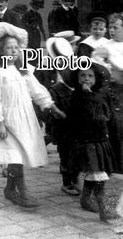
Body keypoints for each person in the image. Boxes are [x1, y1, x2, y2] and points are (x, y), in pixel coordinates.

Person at [0, 22, 66, 207]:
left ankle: (10, 188)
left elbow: (36, 89)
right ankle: (20, 190)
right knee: (14, 155)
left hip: (23, 118)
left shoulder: (23, 70)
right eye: (8, 48)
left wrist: (50, 105)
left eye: (16, 48)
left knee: (18, 155)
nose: (13, 51)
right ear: (0, 51)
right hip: (6, 119)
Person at [68, 63, 120, 221]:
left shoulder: (101, 94)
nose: (86, 79)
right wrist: (87, 95)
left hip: (101, 140)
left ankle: (85, 198)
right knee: (97, 174)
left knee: (96, 172)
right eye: (82, 75)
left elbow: (108, 115)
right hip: (87, 141)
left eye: (90, 76)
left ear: (96, 78)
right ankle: (103, 209)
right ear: (77, 78)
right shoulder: (78, 96)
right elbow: (87, 117)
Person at [46, 37, 80, 196]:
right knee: (65, 154)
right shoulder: (56, 88)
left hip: (75, 126)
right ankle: (67, 182)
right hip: (62, 127)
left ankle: (75, 177)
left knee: (76, 153)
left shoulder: (76, 87)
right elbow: (51, 110)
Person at [92, 13, 123, 174]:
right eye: (110, 27)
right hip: (113, 92)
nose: (111, 30)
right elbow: (96, 66)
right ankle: (117, 165)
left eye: (115, 27)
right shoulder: (105, 46)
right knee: (115, 127)